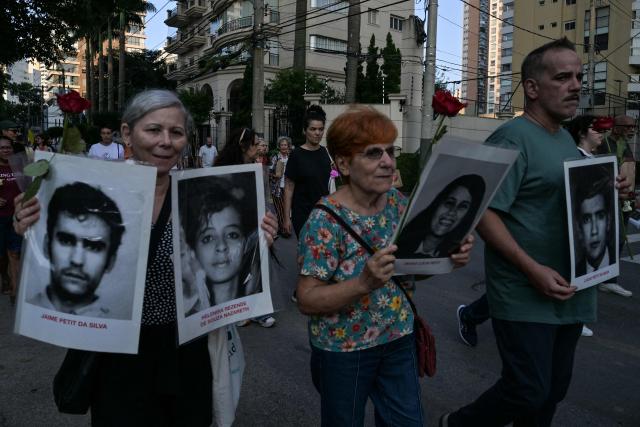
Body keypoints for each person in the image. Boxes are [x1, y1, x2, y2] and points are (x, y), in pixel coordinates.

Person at [13, 89, 279, 425]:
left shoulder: (198, 196)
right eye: (153, 130)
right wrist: (26, 220)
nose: (166, 142)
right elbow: (53, 236)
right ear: (127, 133)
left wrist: (260, 240)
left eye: (176, 132)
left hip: (186, 351)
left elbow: (227, 265)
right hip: (117, 356)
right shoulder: (97, 191)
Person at [440, 37, 632, 427]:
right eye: (562, 77)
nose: (576, 85)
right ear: (531, 87)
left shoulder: (563, 137)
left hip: (572, 288)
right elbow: (485, 213)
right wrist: (531, 268)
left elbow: (567, 198)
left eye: (579, 76)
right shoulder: (512, 137)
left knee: (553, 391)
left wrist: (610, 187)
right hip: (525, 292)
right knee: (527, 388)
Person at [296, 107, 474, 427]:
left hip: (398, 339)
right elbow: (307, 299)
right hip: (344, 350)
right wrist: (362, 283)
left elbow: (407, 270)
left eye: (390, 151)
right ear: (344, 164)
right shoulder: (325, 220)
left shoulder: (398, 203)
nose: (388, 162)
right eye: (374, 153)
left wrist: (449, 258)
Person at [27, 182, 125, 317]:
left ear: (110, 261)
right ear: (46, 246)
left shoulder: (118, 326)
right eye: (66, 241)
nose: (77, 260)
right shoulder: (25, 312)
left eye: (93, 247)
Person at [215, 128, 277, 328]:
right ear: (244, 146)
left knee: (257, 264)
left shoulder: (254, 168)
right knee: (239, 267)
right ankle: (239, 308)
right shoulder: (223, 170)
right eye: (254, 143)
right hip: (229, 229)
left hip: (252, 226)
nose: (258, 147)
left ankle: (258, 310)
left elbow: (260, 198)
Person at [179, 175, 261, 314]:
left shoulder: (253, 294)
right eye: (208, 238)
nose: (222, 246)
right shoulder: (188, 307)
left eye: (231, 235)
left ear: (244, 241)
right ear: (193, 249)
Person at [395, 174, 485, 258]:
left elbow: (418, 274)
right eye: (449, 203)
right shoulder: (401, 237)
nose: (452, 212)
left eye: (462, 206)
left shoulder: (449, 250)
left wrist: (454, 263)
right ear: (437, 204)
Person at [595, 115, 635, 298]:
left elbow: (630, 170)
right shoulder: (604, 144)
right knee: (608, 238)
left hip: (625, 198)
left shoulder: (625, 145)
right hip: (608, 198)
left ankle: (608, 279)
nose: (632, 129)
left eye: (633, 126)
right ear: (616, 127)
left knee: (618, 239)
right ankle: (605, 279)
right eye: (628, 126)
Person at [283, 105, 332, 238]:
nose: (317, 133)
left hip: (324, 213)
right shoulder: (296, 155)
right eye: (313, 129)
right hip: (303, 215)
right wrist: (286, 217)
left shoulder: (326, 152)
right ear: (305, 131)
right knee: (307, 255)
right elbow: (288, 187)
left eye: (321, 129)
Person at [572, 167, 614, 277]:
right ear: (578, 227)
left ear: (609, 221)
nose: (594, 230)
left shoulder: (615, 262)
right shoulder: (574, 272)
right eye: (586, 220)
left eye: (600, 216)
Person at [0, 137, 22, 304]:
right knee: (2, 256)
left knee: (14, 253)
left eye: (8, 148)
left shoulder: (19, 167)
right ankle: (5, 277)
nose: (6, 150)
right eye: (2, 148)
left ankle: (15, 290)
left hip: (16, 218)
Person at [270, 136, 291, 236]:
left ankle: (282, 227)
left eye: (285, 145)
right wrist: (275, 176)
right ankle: (284, 230)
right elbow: (269, 172)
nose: (283, 147)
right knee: (280, 208)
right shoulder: (275, 157)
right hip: (277, 187)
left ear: (288, 146)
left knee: (286, 207)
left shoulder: (291, 157)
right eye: (282, 145)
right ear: (279, 146)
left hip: (288, 187)